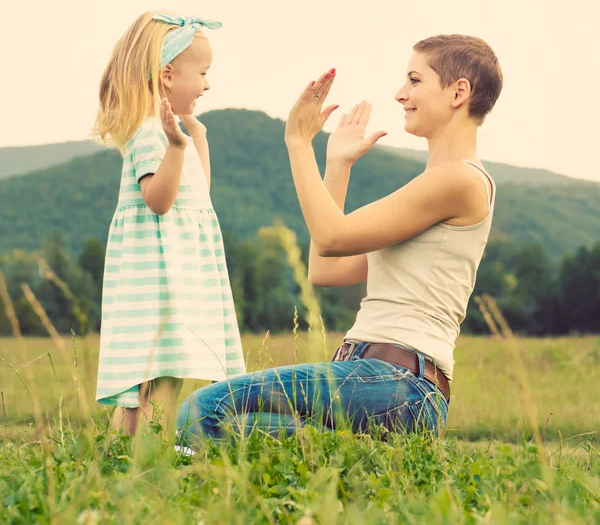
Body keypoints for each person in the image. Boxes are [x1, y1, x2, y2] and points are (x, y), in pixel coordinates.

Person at [176, 34, 501, 446]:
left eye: (415, 80)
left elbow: (331, 237)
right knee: (241, 431)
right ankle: (361, 461)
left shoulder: (460, 180)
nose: (401, 94)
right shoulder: (434, 186)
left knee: (203, 411)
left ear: (459, 92)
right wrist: (337, 164)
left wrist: (297, 142)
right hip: (376, 383)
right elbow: (325, 268)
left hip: (397, 381)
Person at [93, 11, 246, 438]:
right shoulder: (148, 133)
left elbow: (198, 197)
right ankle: (157, 465)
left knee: (150, 385)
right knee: (162, 379)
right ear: (167, 76)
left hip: (176, 276)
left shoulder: (172, 133)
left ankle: (118, 459)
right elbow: (160, 201)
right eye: (202, 73)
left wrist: (195, 138)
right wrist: (177, 144)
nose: (208, 83)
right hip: (161, 283)